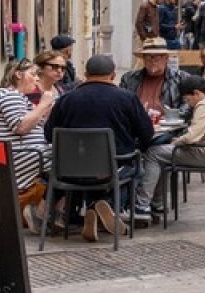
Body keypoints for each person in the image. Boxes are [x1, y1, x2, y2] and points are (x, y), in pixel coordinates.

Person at [42, 54, 155, 238]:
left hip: (69, 172)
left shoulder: (66, 100)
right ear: (112, 75)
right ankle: (105, 206)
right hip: (113, 168)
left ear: (86, 74)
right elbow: (146, 134)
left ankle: (93, 210)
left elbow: (49, 135)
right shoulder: (127, 98)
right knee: (136, 168)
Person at [138, 74, 205, 221]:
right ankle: (158, 204)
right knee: (163, 155)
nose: (189, 104)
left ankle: (141, 205)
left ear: (196, 93)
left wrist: (176, 141)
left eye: (188, 100)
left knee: (153, 153)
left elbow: (192, 137)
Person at [0, 59, 56, 232]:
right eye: (33, 74)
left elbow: (36, 125)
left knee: (67, 160)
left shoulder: (18, 98)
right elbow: (20, 127)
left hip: (25, 155)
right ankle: (45, 212)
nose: (37, 79)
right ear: (17, 74)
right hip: (19, 156)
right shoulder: (8, 95)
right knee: (70, 160)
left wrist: (46, 109)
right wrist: (43, 104)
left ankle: (45, 211)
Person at [121, 39, 183, 120]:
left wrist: (171, 117)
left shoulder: (180, 78)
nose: (152, 61)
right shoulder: (129, 78)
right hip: (136, 125)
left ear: (166, 58)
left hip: (169, 127)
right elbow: (120, 104)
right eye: (148, 57)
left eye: (156, 57)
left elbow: (188, 106)